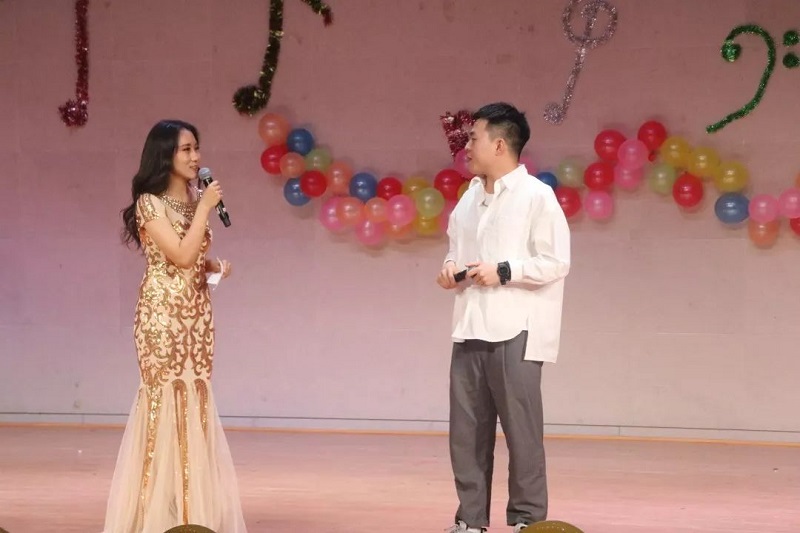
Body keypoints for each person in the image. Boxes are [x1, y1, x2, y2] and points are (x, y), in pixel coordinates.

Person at [105, 119, 247, 532]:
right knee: (164, 401)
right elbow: (178, 256)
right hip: (163, 317)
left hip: (196, 315)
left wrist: (212, 266)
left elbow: (190, 258)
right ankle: (155, 516)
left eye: (196, 148)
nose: (195, 157)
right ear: (164, 155)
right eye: (186, 149)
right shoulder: (149, 204)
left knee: (195, 399)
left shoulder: (192, 198)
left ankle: (190, 514)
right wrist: (205, 210)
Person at [436, 103, 571, 533]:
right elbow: (456, 249)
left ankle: (526, 521)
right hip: (470, 325)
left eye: (474, 138)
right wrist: (450, 269)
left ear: (499, 144)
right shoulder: (469, 197)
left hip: (518, 329)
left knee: (522, 434)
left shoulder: (536, 196)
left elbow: (556, 261)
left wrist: (505, 270)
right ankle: (470, 520)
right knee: (466, 434)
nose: (466, 146)